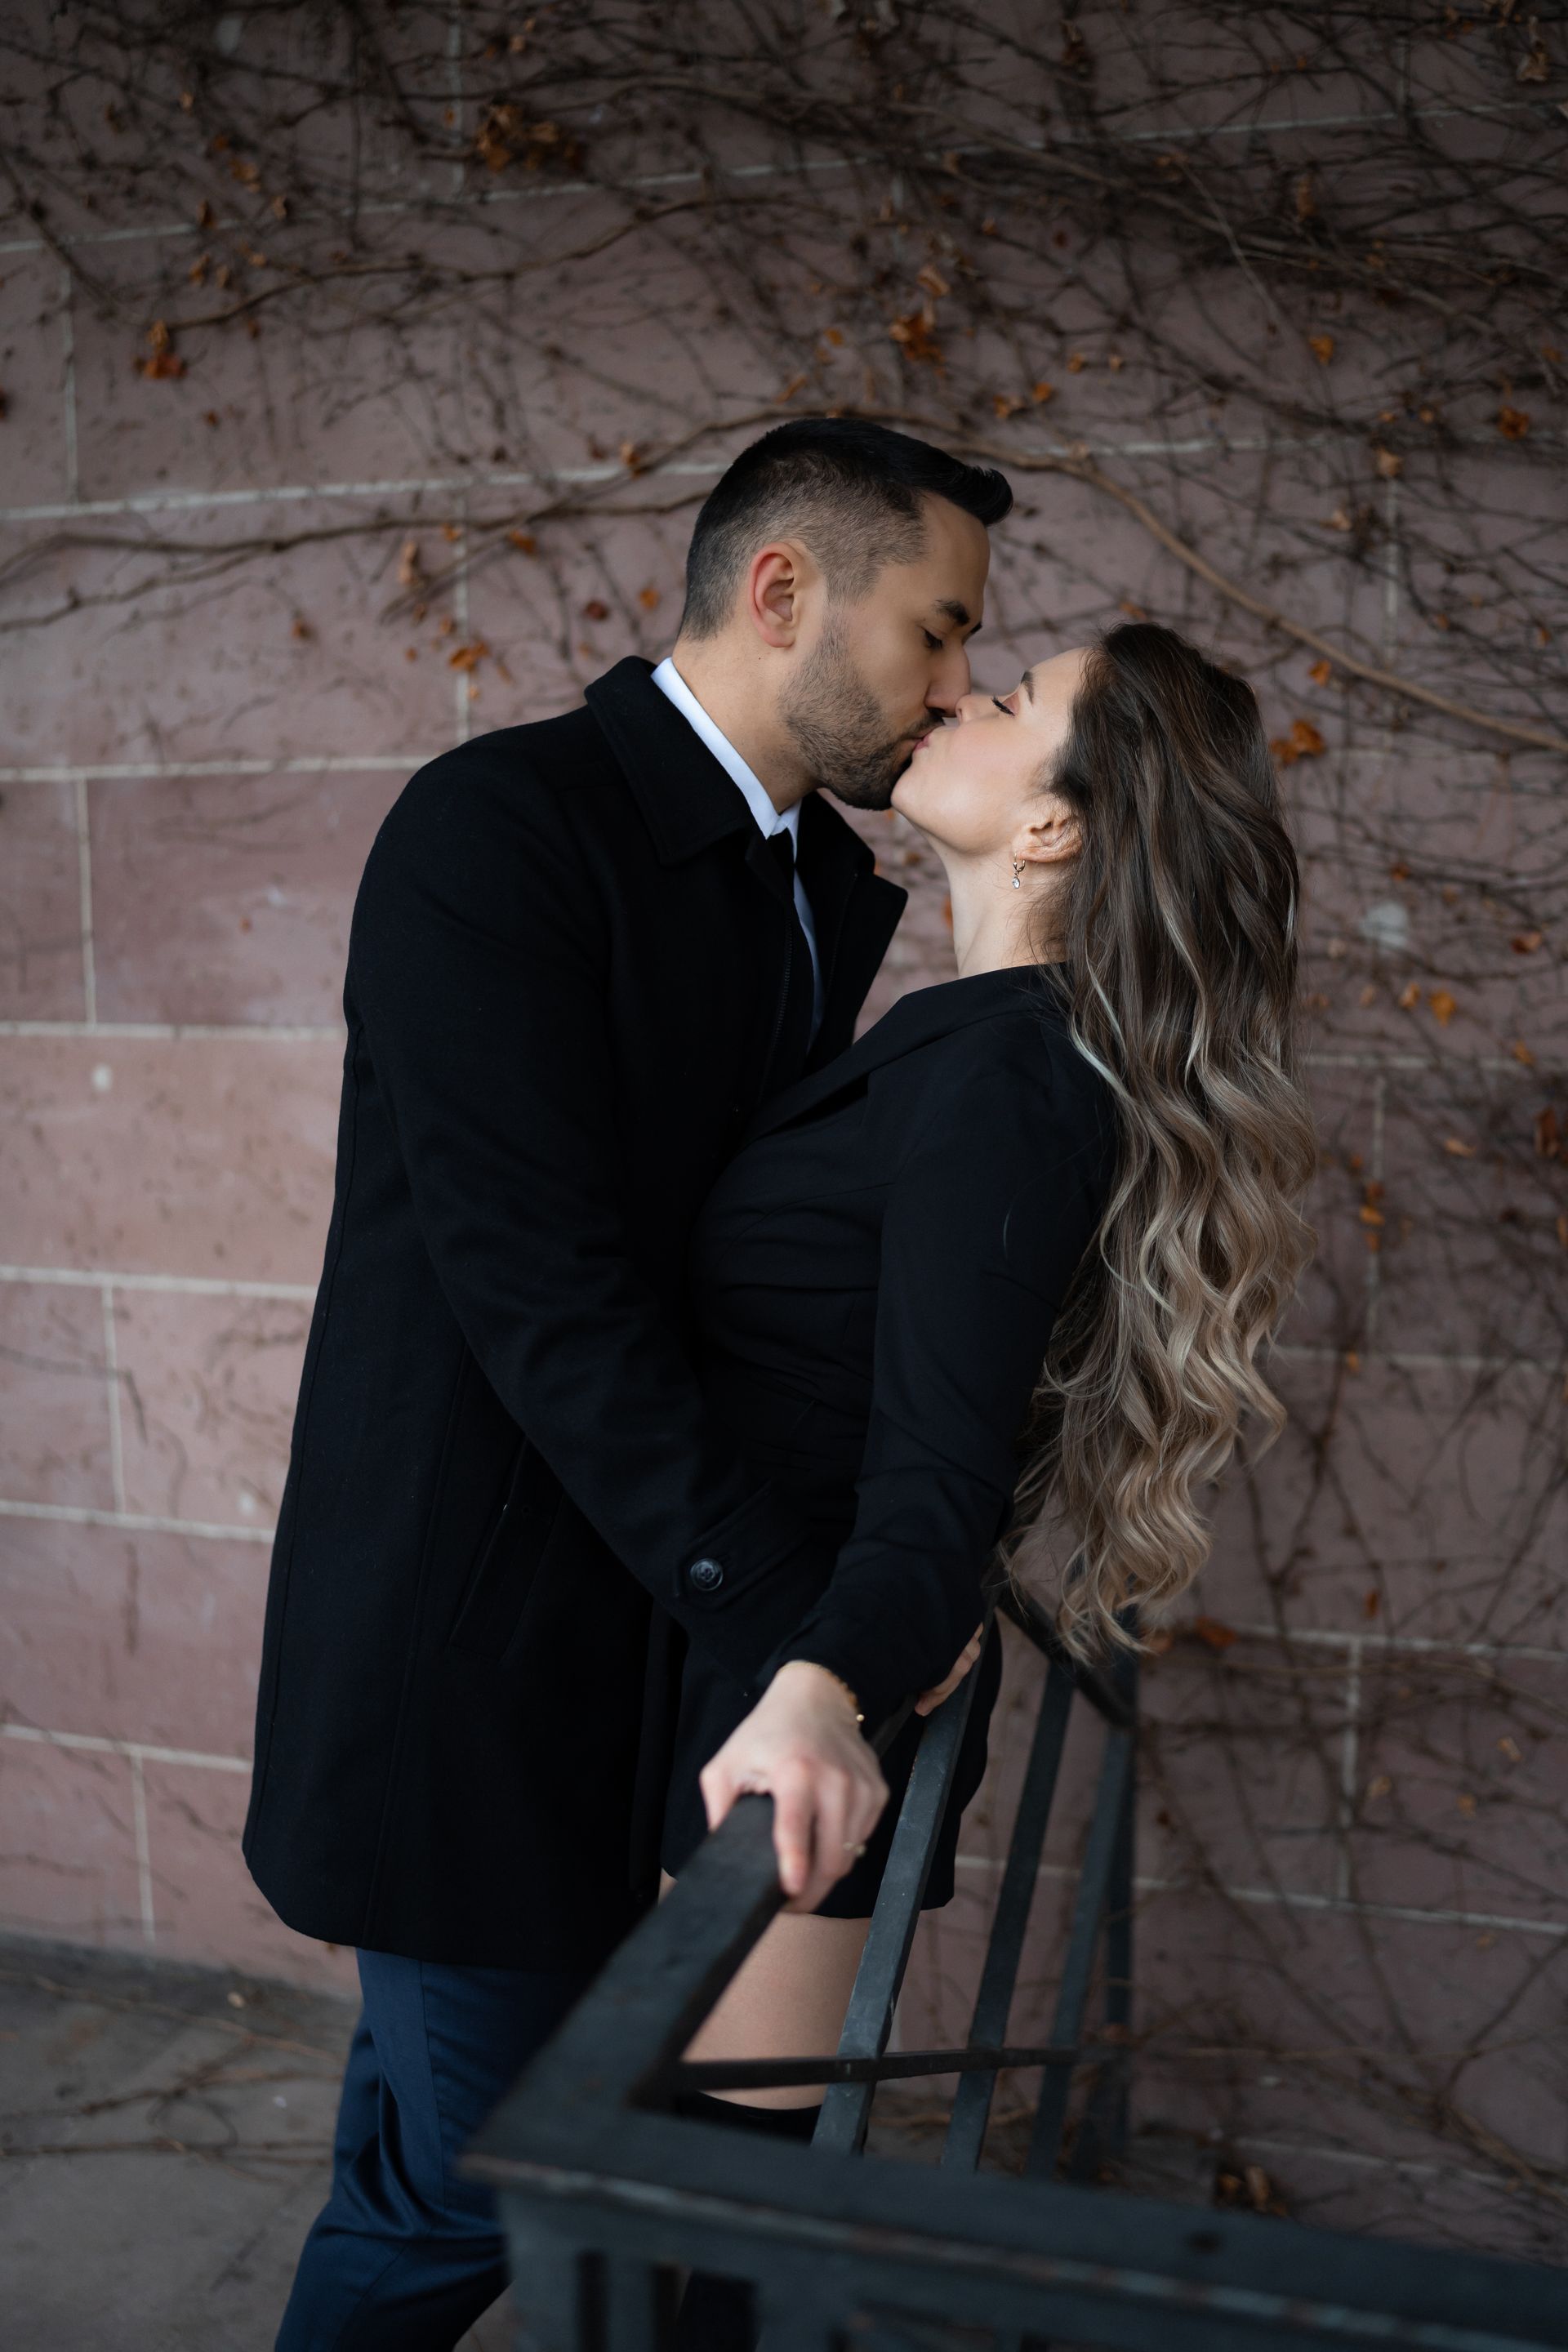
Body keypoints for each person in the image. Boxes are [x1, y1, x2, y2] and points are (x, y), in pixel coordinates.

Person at [247, 415, 1014, 2350]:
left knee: (442, 2160)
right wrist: (802, 1620)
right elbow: (544, 1294)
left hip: (644, 1646)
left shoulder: (810, 881)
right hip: (471, 1654)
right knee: (484, 2194)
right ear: (784, 589)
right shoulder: (501, 830)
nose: (956, 683)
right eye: (936, 629)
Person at [657, 623, 1316, 2292]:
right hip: (758, 1653)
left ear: (1053, 825)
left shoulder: (1011, 1078)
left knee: (717, 2248)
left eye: (1011, 701)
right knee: (683, 2216)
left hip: (791, 1684)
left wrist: (821, 1689)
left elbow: (936, 1487)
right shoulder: (974, 1043)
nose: (957, 693)